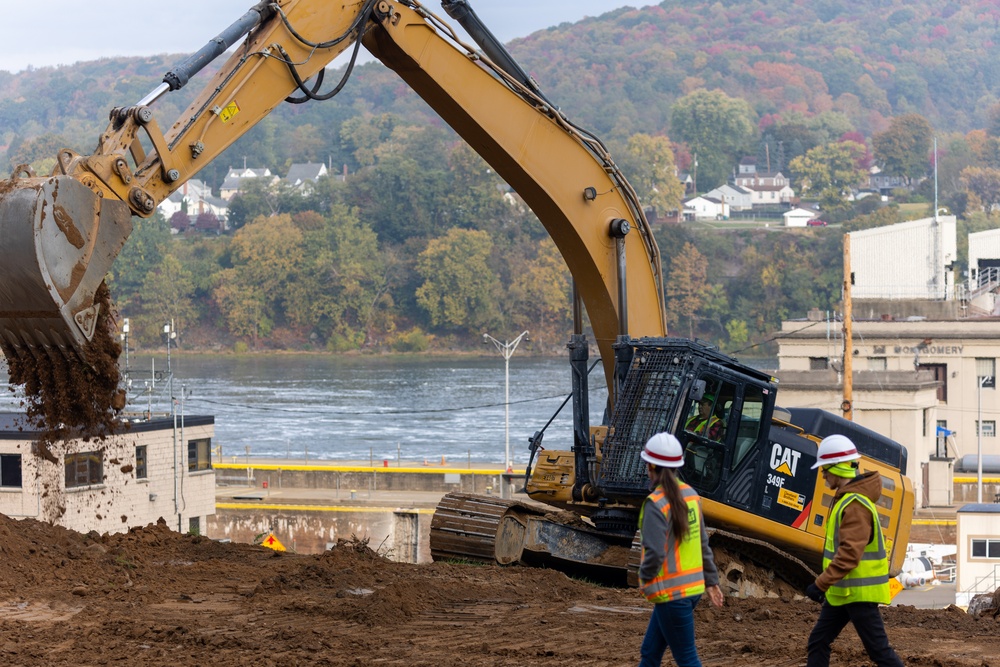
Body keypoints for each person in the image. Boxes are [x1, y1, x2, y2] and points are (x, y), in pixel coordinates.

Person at [804, 434, 904, 667]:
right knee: (818, 641)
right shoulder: (847, 500)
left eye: (824, 470)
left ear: (837, 468)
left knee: (880, 652)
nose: (823, 475)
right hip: (844, 592)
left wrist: (820, 584)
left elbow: (849, 554)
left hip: (859, 594)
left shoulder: (855, 505)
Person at [637, 432, 724, 667]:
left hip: (673, 594)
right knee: (650, 652)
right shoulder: (691, 496)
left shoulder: (656, 504)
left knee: (687, 658)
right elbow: (702, 543)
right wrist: (711, 581)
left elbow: (654, 553)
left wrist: (644, 578)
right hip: (690, 590)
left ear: (652, 466)